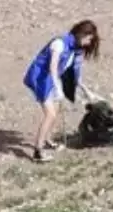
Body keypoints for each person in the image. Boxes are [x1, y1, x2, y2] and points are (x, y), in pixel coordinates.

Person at [23, 20, 101, 163]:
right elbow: (53, 67)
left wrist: (86, 90)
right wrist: (58, 87)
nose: (89, 44)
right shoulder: (59, 44)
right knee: (50, 114)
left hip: (51, 78)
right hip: (40, 78)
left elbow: (74, 74)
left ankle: (47, 140)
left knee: (56, 108)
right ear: (83, 34)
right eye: (89, 39)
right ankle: (37, 152)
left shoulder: (74, 49)